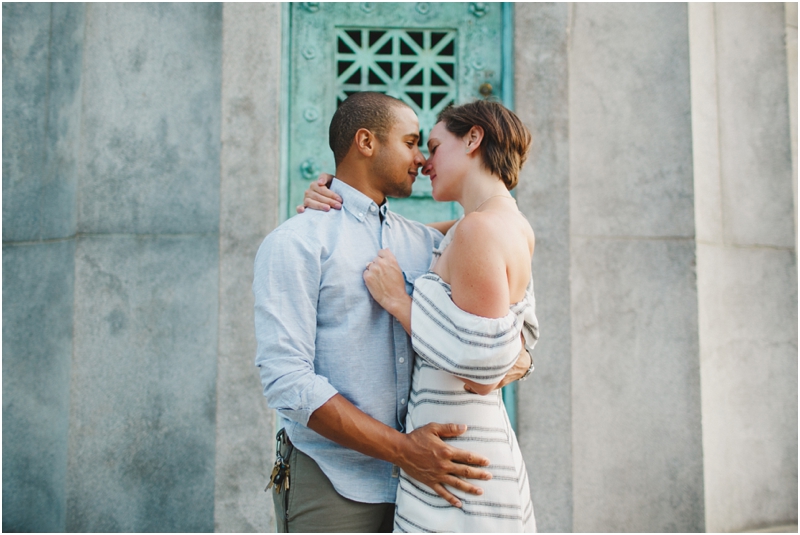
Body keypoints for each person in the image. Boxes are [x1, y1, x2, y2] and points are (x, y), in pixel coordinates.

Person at [253, 92, 532, 533]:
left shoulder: (426, 244)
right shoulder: (297, 242)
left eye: (427, 146)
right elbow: (288, 383)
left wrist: (518, 358)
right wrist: (403, 450)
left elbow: (491, 263)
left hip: (425, 489)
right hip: (335, 481)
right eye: (411, 142)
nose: (421, 160)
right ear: (365, 142)